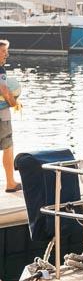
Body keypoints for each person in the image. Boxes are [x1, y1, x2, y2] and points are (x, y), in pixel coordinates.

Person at [0, 40, 20, 192]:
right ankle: (10, 183)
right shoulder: (0, 70)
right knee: (8, 146)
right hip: (2, 116)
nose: (6, 54)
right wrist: (13, 102)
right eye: (3, 51)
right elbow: (4, 90)